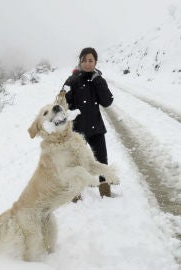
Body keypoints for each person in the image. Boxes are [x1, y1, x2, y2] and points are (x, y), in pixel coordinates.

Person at [61, 47, 114, 197]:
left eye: (90, 60)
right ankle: (75, 193)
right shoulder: (71, 80)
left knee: (101, 161)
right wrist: (68, 111)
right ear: (80, 61)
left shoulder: (98, 80)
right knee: (76, 163)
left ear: (95, 62)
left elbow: (107, 101)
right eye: (84, 60)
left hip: (96, 128)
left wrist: (98, 82)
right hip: (77, 131)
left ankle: (105, 190)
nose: (87, 63)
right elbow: (61, 102)